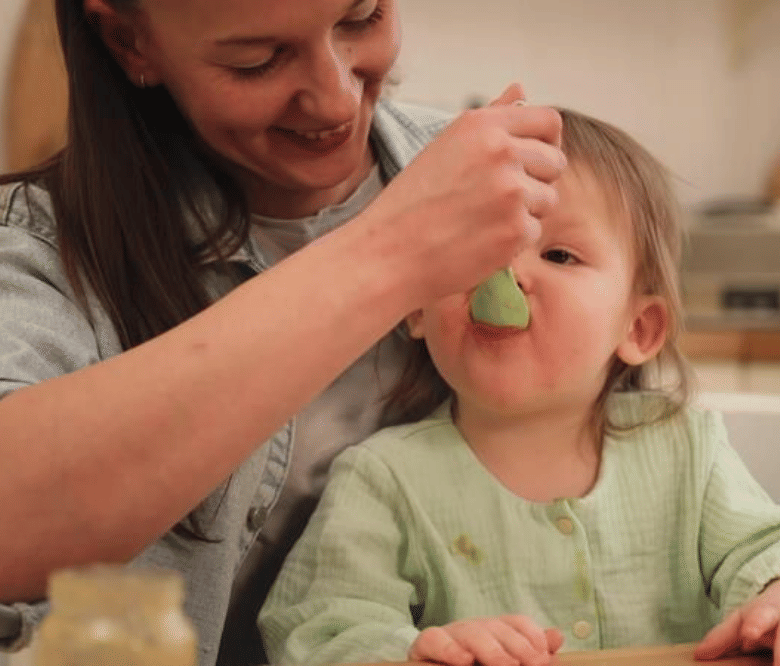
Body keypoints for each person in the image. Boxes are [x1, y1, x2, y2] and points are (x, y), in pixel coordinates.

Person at [0, 0, 566, 664]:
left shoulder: (510, 190)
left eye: (363, 18)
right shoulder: (42, 248)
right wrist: (391, 251)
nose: (333, 98)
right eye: (257, 60)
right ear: (130, 41)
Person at [257, 108, 780, 666]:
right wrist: (418, 649)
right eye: (480, 251)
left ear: (639, 329)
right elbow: (320, 630)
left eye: (559, 256)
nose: (506, 277)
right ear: (416, 306)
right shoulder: (383, 480)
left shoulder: (683, 448)